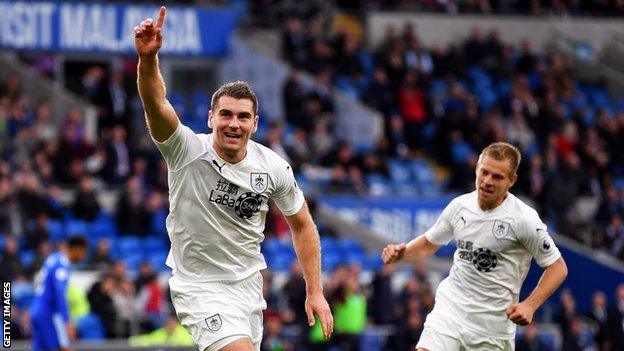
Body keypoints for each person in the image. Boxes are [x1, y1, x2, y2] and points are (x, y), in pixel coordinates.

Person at [133, 7, 333, 351]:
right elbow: (155, 103)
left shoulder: (273, 167)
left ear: (255, 123)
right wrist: (148, 60)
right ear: (211, 117)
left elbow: (302, 224)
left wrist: (315, 289)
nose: (233, 124)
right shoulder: (186, 149)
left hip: (249, 291)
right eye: (225, 114)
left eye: (243, 117)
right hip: (201, 287)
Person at [381, 142, 568, 351]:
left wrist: (530, 305)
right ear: (477, 168)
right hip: (450, 312)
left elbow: (558, 267)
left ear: (511, 181)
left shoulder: (524, 220)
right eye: (484, 172)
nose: (487, 181)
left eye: (497, 177)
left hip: (492, 329)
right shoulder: (460, 206)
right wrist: (401, 254)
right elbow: (428, 244)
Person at [30, 236, 88, 351]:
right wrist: (67, 321)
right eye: (83, 252)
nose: (84, 256)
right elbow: (60, 295)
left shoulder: (53, 259)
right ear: (76, 249)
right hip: (48, 313)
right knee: (61, 347)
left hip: (36, 309)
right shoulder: (61, 265)